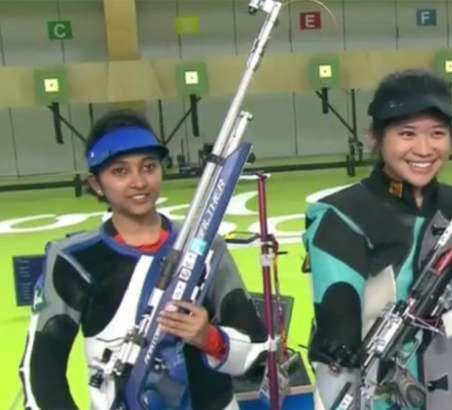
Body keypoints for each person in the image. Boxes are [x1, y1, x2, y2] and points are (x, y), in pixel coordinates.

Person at [302, 69, 452, 410]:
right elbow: (337, 346)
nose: (424, 149)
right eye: (407, 133)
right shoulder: (340, 216)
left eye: (437, 133)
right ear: (376, 136)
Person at [19, 110, 268, 410]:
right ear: (96, 184)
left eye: (148, 167)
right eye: (120, 171)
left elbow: (257, 347)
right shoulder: (73, 260)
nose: (139, 182)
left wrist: (210, 338)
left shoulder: (206, 247)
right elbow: (40, 374)